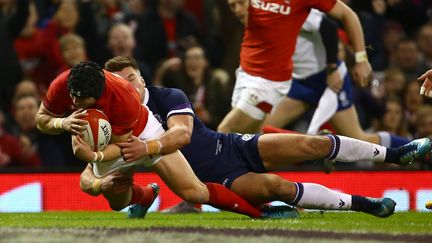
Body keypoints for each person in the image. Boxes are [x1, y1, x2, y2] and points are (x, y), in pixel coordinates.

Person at [95, 56, 432, 217]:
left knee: (312, 143)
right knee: (277, 187)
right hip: (217, 180)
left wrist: (146, 146)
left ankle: (396, 155)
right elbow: (105, 160)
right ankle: (365, 206)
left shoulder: (167, 95)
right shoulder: (118, 122)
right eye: (121, 82)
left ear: (142, 77)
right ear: (115, 89)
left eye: (133, 77)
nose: (131, 85)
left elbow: (182, 135)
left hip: (229, 145)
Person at [35, 61, 298, 220]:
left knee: (193, 191)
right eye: (74, 98)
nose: (76, 104)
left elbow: (126, 145)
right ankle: (145, 196)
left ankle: (259, 212)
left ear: (100, 93)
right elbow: (41, 120)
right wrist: (62, 122)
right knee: (112, 197)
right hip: (112, 137)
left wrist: (95, 157)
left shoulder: (122, 97)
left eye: (83, 101)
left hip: (143, 130)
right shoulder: (63, 85)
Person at [217, 0, 372, 134]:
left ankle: (392, 149)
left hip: (270, 84)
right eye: (233, 6)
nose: (237, 10)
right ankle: (318, 143)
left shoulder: (301, 7)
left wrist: (361, 59)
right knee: (246, 140)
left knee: (226, 132)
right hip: (253, 75)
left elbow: (343, 17)